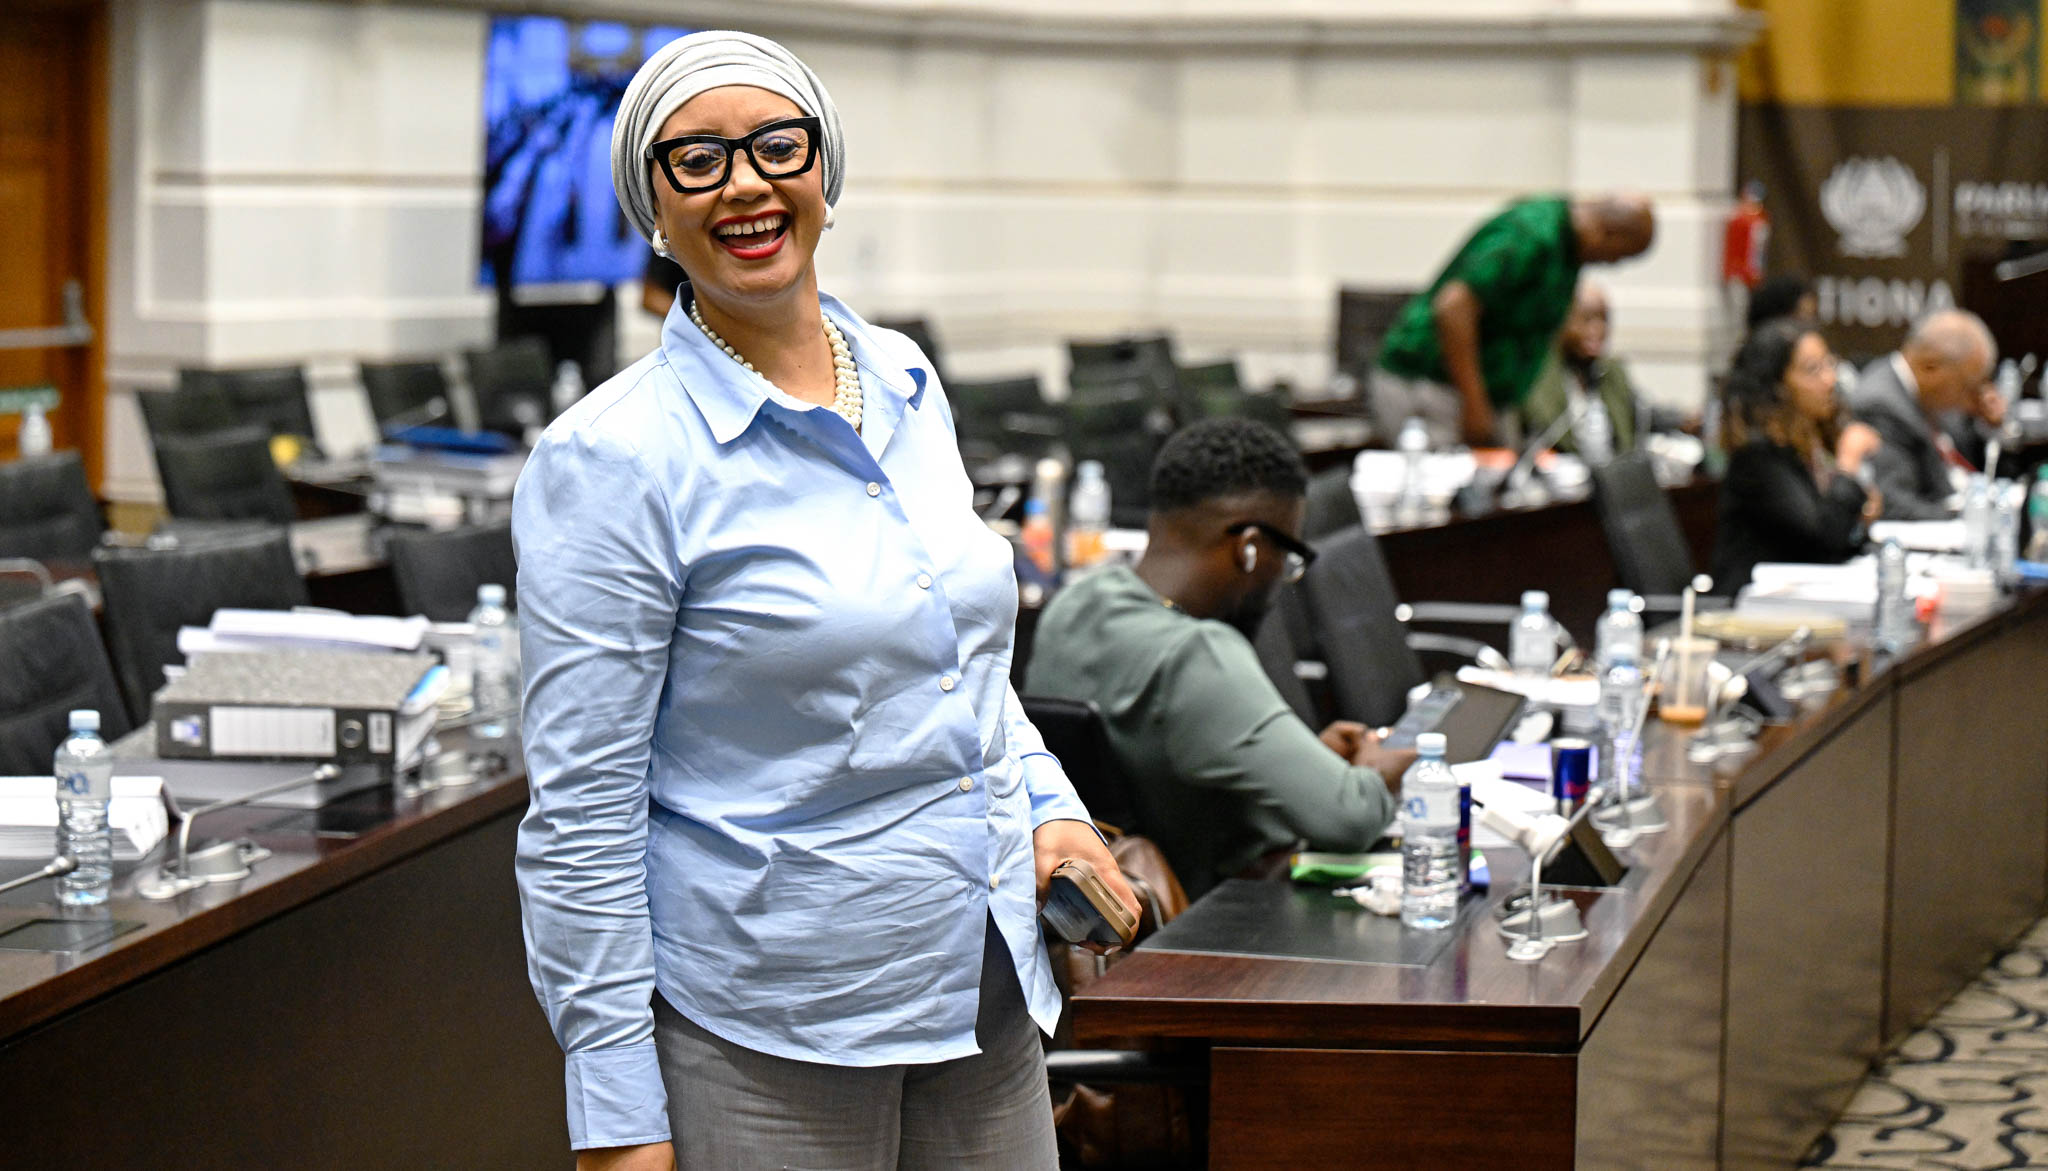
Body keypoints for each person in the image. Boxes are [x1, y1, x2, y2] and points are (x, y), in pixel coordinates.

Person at [512, 31, 1138, 1171]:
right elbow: (582, 814)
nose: (744, 183)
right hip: (768, 1028)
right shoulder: (610, 457)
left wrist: (1051, 809)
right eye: (696, 160)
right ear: (654, 210)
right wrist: (617, 1118)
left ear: (823, 170)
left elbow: (960, 667)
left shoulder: (903, 379)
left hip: (983, 986)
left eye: (775, 146)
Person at [1024, 418, 1415, 898]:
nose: (1283, 576)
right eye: (1286, 556)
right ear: (1249, 548)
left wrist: (1304, 760)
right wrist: (1373, 771)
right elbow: (1350, 817)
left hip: (1109, 911)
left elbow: (1174, 759)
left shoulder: (1072, 606)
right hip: (1220, 916)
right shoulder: (1198, 653)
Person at [1371, 193, 1656, 448]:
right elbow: (1453, 308)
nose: (1613, 264)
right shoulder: (1531, 235)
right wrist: (1474, 403)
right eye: (1618, 256)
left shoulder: (1567, 251)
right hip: (1434, 388)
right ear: (1605, 234)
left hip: (1485, 397)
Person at [1711, 320, 1884, 594]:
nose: (1830, 380)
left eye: (1830, 364)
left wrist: (1860, 521)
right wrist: (1848, 466)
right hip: (1753, 605)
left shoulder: (1811, 442)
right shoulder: (1758, 455)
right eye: (1813, 370)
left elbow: (1835, 539)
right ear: (1777, 385)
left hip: (1805, 596)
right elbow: (1821, 538)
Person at [1849, 309, 1998, 519]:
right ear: (1931, 366)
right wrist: (1968, 515)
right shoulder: (1880, 405)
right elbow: (1894, 505)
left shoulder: (1931, 398)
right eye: (1967, 386)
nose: (1972, 398)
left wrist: (1988, 425)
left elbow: (1969, 468)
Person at [1518, 279, 1645, 460]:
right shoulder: (1537, 371)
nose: (1597, 329)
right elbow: (1536, 427)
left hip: (1614, 469)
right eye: (1586, 320)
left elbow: (1641, 410)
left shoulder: (1612, 371)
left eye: (1603, 319)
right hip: (1563, 469)